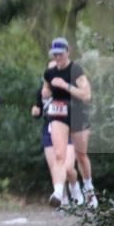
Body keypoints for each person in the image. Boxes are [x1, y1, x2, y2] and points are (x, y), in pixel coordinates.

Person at [41, 37, 97, 209]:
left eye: (60, 54)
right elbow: (46, 89)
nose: (58, 57)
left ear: (68, 52)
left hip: (77, 115)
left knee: (81, 156)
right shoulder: (49, 72)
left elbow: (86, 95)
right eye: (55, 54)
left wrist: (66, 86)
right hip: (58, 115)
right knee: (59, 155)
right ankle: (58, 192)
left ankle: (89, 189)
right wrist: (46, 92)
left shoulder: (76, 70)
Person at [32, 61, 82, 206]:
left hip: (68, 128)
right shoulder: (42, 91)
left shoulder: (69, 88)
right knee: (55, 165)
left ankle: (76, 189)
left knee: (67, 167)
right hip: (49, 130)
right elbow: (38, 109)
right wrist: (35, 111)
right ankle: (61, 199)